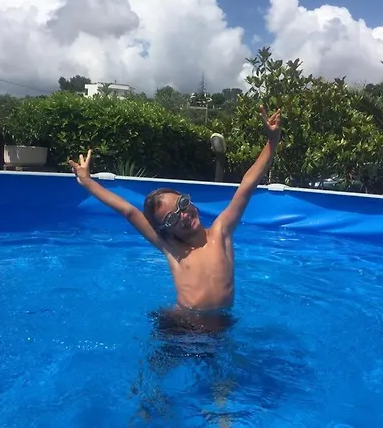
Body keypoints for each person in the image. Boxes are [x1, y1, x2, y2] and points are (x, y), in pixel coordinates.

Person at [69, 105, 281, 326]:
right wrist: (88, 182)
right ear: (166, 230)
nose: (183, 216)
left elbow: (247, 185)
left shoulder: (221, 231)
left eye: (182, 204)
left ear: (189, 200)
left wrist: (272, 141)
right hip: (181, 324)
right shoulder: (173, 248)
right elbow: (129, 211)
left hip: (221, 323)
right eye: (171, 219)